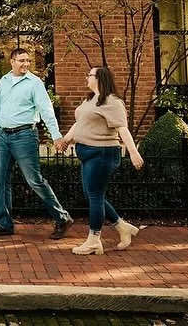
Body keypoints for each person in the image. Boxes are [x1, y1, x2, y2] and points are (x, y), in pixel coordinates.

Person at [0, 47, 74, 239]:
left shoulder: (35, 83)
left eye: (28, 61)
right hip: (5, 138)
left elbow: (46, 110)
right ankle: (4, 223)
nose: (26, 64)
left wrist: (56, 135)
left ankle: (62, 218)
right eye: (21, 60)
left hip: (24, 135)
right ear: (12, 61)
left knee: (34, 180)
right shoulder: (4, 81)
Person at [57, 65, 144, 255]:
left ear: (100, 78)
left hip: (103, 153)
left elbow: (122, 129)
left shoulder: (113, 102)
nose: (86, 78)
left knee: (95, 196)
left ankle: (94, 240)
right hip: (87, 153)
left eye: (89, 75)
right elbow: (79, 123)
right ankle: (122, 227)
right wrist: (66, 139)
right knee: (92, 195)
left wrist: (133, 152)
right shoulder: (90, 100)